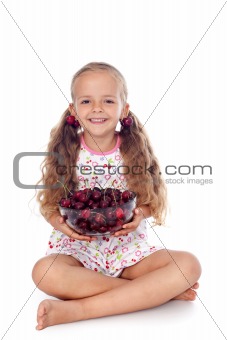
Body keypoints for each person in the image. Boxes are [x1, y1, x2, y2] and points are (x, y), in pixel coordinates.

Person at [32, 62, 201, 330]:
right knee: (44, 272)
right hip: (79, 250)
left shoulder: (133, 150)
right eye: (86, 101)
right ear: (73, 110)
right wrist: (57, 221)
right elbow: (52, 205)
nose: (97, 108)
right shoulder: (67, 150)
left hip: (128, 249)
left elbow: (149, 201)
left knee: (189, 265)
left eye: (108, 100)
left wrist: (139, 215)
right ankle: (153, 293)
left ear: (124, 109)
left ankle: (78, 309)